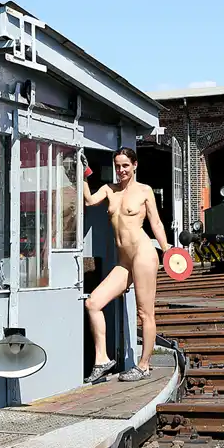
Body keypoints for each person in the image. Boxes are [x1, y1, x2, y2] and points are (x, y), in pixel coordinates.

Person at [82, 147, 170, 383]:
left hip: (143, 254)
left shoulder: (144, 191)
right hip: (124, 261)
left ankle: (144, 365)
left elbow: (157, 224)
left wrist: (168, 250)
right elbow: (89, 201)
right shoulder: (109, 190)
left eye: (125, 166)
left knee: (145, 312)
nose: (121, 170)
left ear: (134, 166)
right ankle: (102, 359)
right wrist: (82, 174)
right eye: (118, 165)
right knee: (93, 303)